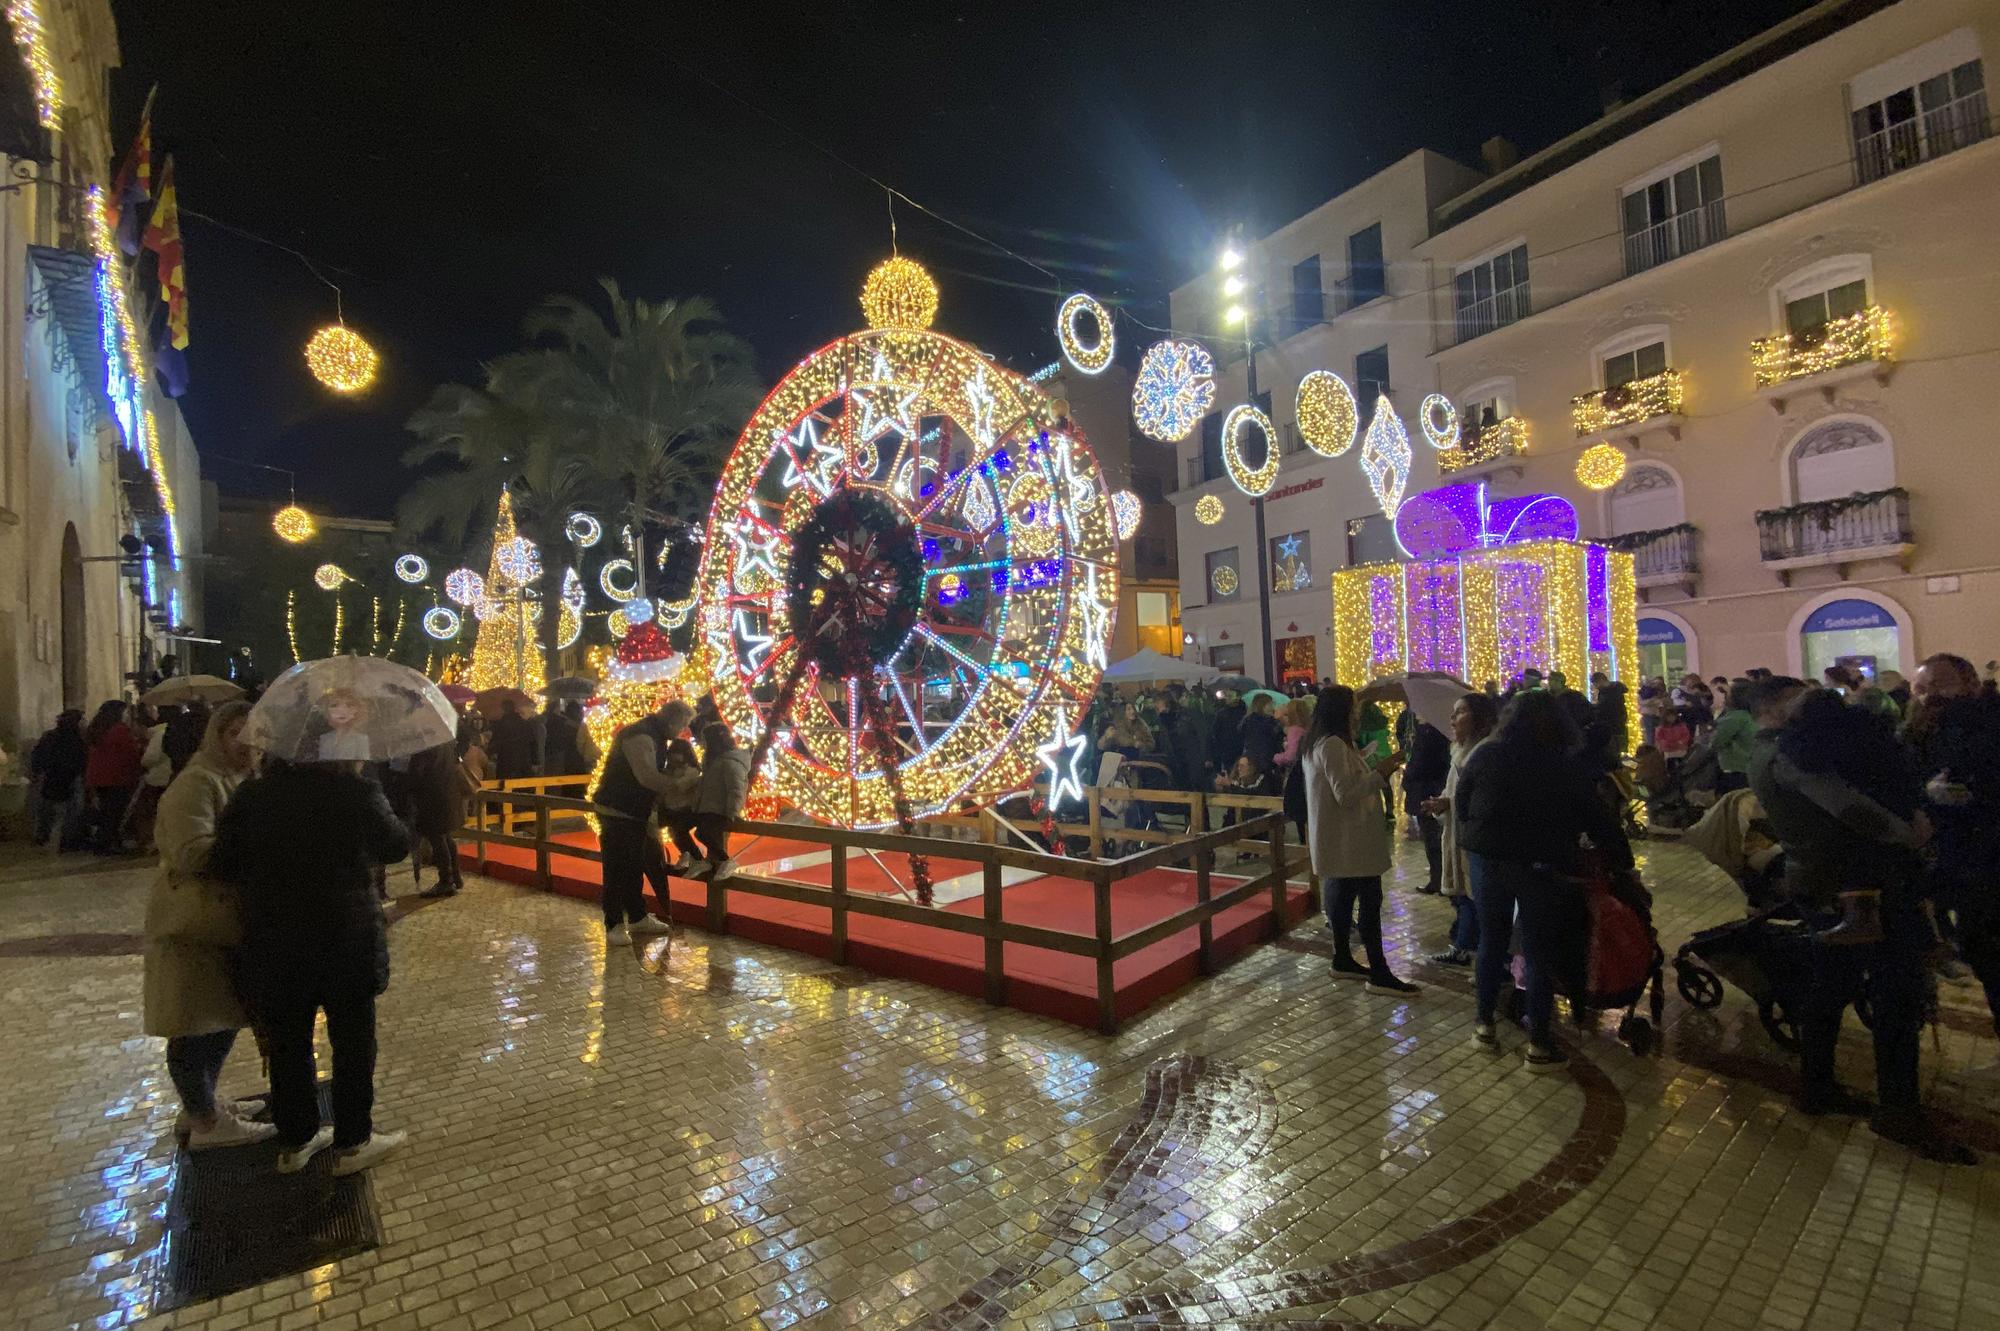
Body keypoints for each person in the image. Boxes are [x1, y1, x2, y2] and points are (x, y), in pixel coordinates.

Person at [1750, 682, 1973, 1163]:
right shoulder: (1789, 755)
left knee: (1832, 985)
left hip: (1826, 884)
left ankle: (1816, 1085)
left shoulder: (1785, 749)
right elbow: (1850, 809)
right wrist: (1908, 835)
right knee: (1894, 994)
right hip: (1854, 886)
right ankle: (1896, 1108)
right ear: (1773, 706)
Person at [212, 755, 411, 1175]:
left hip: (275, 939)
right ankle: (354, 1140)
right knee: (354, 1044)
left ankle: (296, 1139)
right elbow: (396, 844)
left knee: (288, 1044)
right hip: (346, 938)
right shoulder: (353, 790)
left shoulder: (253, 795)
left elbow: (223, 863)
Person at [1455, 690, 1633, 1073]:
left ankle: (1484, 1025)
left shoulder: (1486, 754)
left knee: (1492, 939)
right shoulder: (1562, 762)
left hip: (1489, 858)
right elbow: (1595, 816)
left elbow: (1464, 801)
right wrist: (1621, 859)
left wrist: (1473, 835)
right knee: (1536, 950)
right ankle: (1539, 1043)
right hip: (1539, 863)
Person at [142, 702, 274, 1151]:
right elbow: (191, 852)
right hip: (193, 923)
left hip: (221, 922)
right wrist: (251, 846)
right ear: (216, 735)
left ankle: (202, 1105)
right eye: (235, 731)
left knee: (220, 1017)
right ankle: (204, 1121)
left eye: (253, 732)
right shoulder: (196, 782)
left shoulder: (239, 781)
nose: (246, 742)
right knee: (192, 1023)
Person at [1907, 653, 2000, 1046]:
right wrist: (1928, 795)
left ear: (1970, 684)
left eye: (1939, 685)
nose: (1929, 696)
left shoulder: (1986, 726)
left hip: (1988, 859)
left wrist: (1977, 796)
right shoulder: (1920, 731)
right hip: (1962, 865)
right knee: (1983, 952)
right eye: (1922, 688)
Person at [1301, 685, 1416, 994]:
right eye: (1353, 707)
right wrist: (1380, 772)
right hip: (1350, 841)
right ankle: (1379, 972)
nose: (1357, 712)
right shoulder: (1333, 745)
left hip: (1340, 840)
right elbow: (1347, 794)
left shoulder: (1320, 743)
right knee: (1367, 904)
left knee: (1341, 900)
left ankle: (1343, 959)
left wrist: (1367, 760)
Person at [589, 699, 689, 940]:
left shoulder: (653, 735)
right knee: (616, 867)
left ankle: (637, 916)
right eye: (682, 725)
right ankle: (613, 923)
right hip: (618, 808)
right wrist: (680, 785)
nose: (681, 732)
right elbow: (647, 777)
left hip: (633, 810)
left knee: (633, 865)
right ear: (672, 720)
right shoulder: (640, 736)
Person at [1427, 692, 1500, 966]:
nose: (1453, 718)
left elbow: (1482, 797)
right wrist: (1443, 803)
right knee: (1463, 896)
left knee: (1474, 896)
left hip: (1476, 838)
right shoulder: (1457, 750)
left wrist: (1452, 802)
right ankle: (1465, 944)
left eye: (1460, 712)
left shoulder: (1485, 751)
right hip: (1458, 832)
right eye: (1453, 712)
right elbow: (1455, 792)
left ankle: (1473, 950)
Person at [408, 741, 474, 898]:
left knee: (437, 837)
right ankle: (455, 877)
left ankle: (446, 880)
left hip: (432, 795)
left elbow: (417, 772)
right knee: (446, 836)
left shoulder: (424, 744)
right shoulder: (445, 739)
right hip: (448, 791)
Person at [690, 722, 752, 880]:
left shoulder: (730, 762)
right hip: (708, 807)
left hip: (719, 809)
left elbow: (736, 789)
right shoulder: (714, 761)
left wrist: (732, 811)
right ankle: (709, 861)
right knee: (697, 830)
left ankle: (725, 860)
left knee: (702, 832)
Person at [83, 701, 143, 854]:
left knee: (107, 811)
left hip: (99, 776)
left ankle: (107, 842)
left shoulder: (97, 729)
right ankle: (106, 844)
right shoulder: (120, 730)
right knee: (115, 812)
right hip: (117, 776)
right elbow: (131, 752)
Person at [1402, 716, 1451, 894]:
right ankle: (1438, 877)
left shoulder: (1429, 733)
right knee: (1433, 838)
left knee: (1432, 839)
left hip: (1425, 791)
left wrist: (1408, 778)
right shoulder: (1435, 732)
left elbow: (1421, 763)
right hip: (1430, 788)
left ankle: (1438, 879)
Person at [28, 709, 87, 849]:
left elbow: (38, 756)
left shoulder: (50, 736)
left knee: (48, 809)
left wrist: (37, 771)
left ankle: (43, 835)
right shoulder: (78, 738)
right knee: (71, 810)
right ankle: (68, 839)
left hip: (53, 775)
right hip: (69, 776)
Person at [657, 737, 705, 873]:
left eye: (676, 753)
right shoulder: (669, 770)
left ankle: (696, 858)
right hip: (671, 807)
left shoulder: (691, 771)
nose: (673, 757)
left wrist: (665, 782)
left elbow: (680, 786)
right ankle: (686, 854)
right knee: (671, 830)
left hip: (685, 809)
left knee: (678, 830)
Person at [1708, 681, 1757, 794]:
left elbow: (1717, 741)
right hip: (1752, 766)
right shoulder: (1754, 714)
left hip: (1736, 768)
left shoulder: (1735, 717)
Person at [487, 698, 537, 781]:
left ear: (503, 709)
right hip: (523, 761)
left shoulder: (500, 725)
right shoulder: (524, 723)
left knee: (505, 787)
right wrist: (535, 761)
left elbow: (496, 742)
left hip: (506, 761)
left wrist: (492, 752)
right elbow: (533, 742)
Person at [1239, 695, 1284, 775]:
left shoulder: (1248, 721)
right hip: (1265, 761)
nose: (1272, 707)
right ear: (1261, 705)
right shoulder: (1267, 723)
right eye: (1270, 704)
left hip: (1253, 759)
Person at [162, 701, 209, 776]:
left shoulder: (176, 721)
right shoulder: (209, 723)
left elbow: (166, 745)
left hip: (179, 766)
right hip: (202, 767)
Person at [1208, 691, 1247, 779]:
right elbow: (1215, 732)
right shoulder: (1221, 713)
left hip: (1241, 749)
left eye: (1230, 695)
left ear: (1238, 697)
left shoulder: (1244, 712)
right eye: (1227, 696)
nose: (1227, 698)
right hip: (1226, 751)